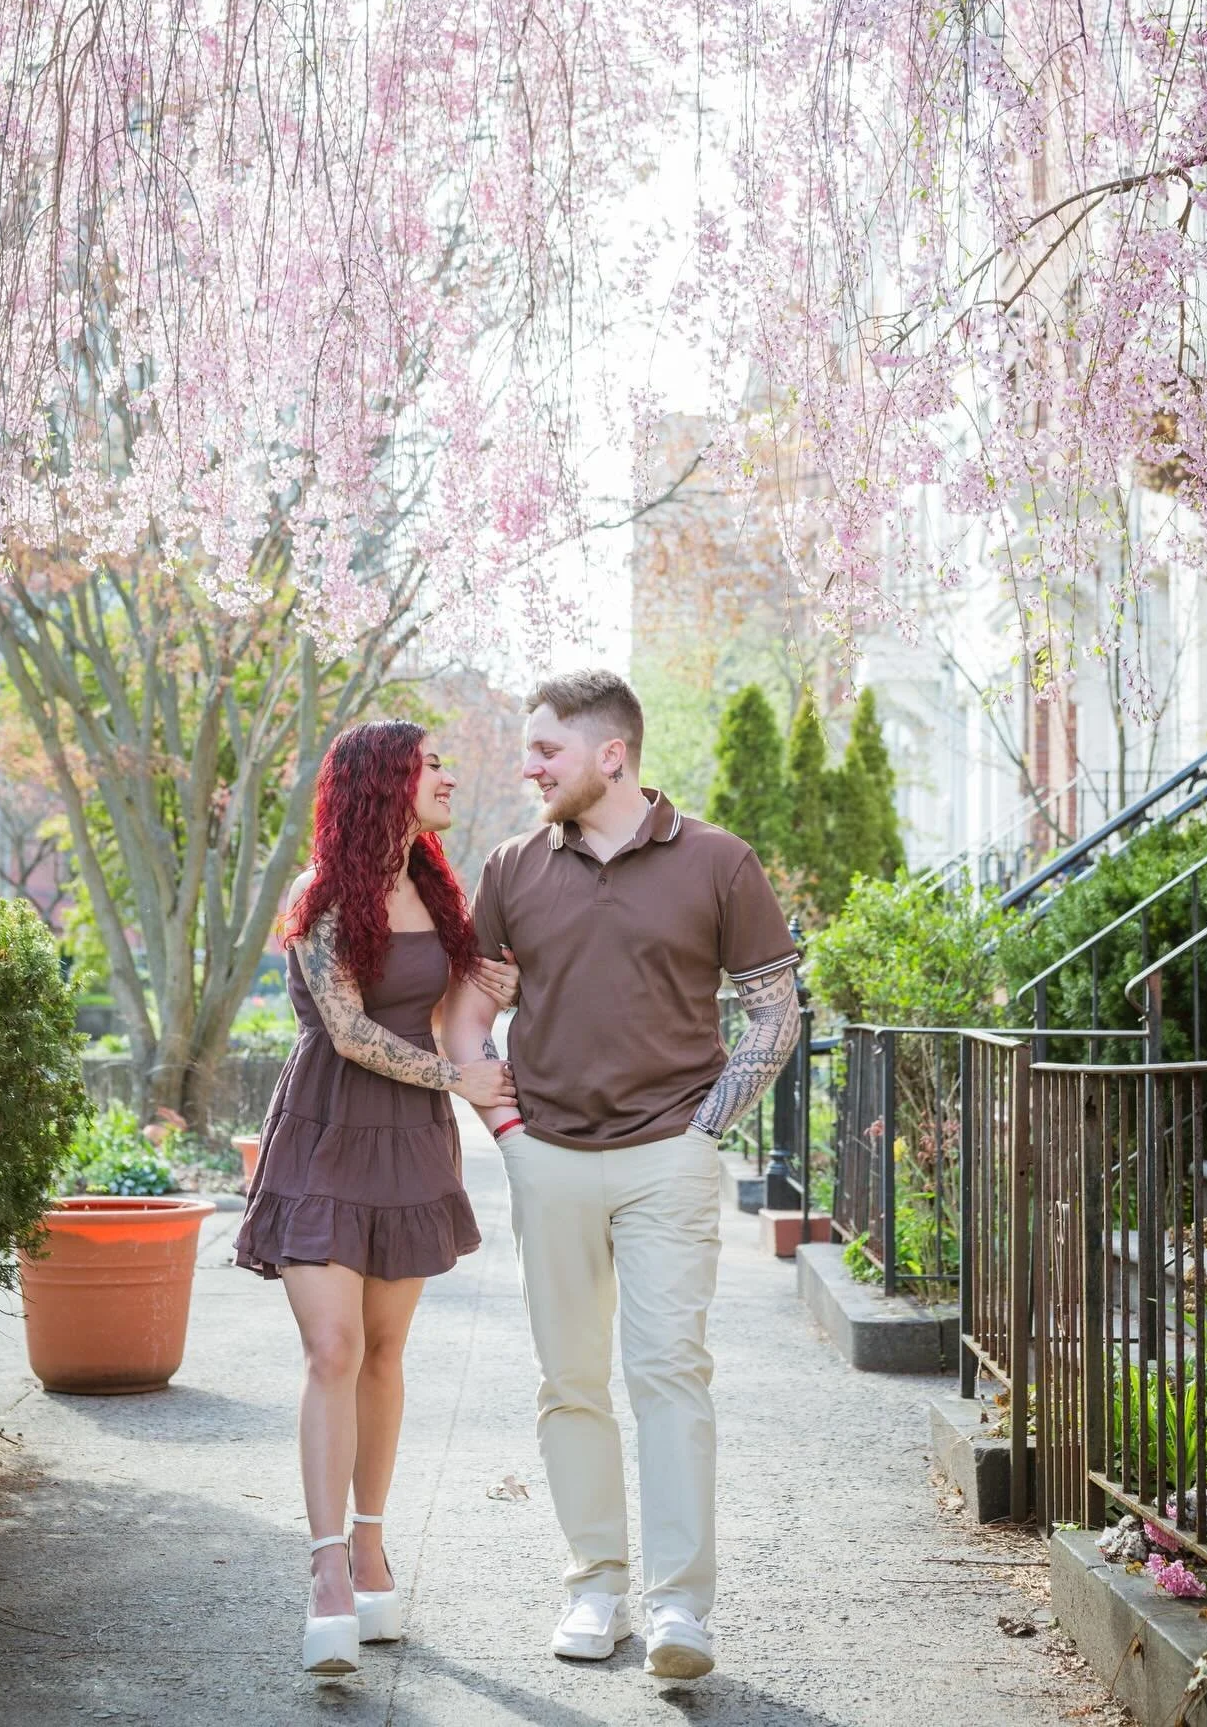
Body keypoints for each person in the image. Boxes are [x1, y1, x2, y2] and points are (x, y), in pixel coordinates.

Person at [443, 668, 801, 1682]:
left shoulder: (719, 860)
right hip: (546, 1154)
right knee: (570, 1382)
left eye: (546, 748)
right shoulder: (513, 865)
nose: (528, 765)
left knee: (670, 1373)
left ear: (612, 754)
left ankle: (682, 1606)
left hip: (665, 1160)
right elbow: (469, 1008)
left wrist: (706, 1127)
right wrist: (503, 1122)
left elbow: (776, 1008)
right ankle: (593, 1586)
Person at [234, 720, 521, 1677]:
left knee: (386, 1353)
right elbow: (351, 1031)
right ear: (380, 784)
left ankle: (368, 1544)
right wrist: (459, 1080)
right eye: (430, 762)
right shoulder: (322, 896)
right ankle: (324, 1574)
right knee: (334, 1347)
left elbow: (444, 1014)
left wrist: (491, 1013)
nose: (447, 773)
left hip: (409, 1147)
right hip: (324, 1132)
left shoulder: (441, 892)